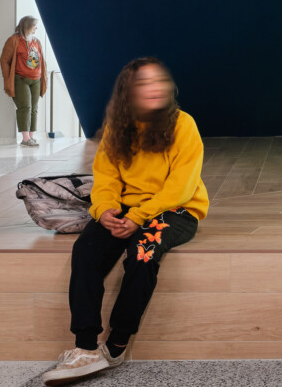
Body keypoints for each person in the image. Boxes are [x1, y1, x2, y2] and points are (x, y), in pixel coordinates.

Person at [42, 58, 207, 386]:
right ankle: (86, 347)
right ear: (128, 93)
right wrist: (103, 210)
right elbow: (104, 178)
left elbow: (181, 186)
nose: (155, 88)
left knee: (143, 252)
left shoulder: (182, 124)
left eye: (159, 80)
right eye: (144, 83)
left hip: (175, 210)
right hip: (124, 209)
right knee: (86, 251)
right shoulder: (117, 128)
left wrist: (137, 217)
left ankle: (116, 345)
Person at [1, 16, 49, 147]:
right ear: (27, 26)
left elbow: (41, 60)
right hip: (21, 79)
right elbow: (4, 60)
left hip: (36, 79)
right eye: (34, 26)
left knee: (34, 108)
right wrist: (7, 78)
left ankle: (32, 137)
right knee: (25, 107)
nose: (36, 28)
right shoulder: (14, 40)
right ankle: (25, 138)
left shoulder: (36, 41)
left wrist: (44, 77)